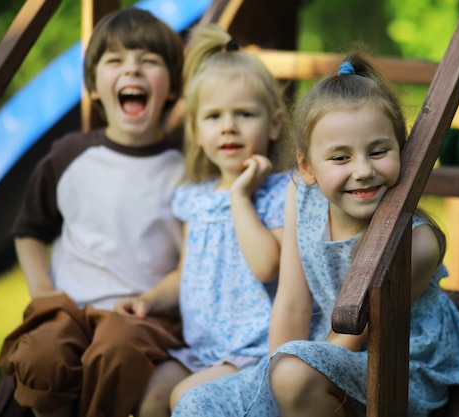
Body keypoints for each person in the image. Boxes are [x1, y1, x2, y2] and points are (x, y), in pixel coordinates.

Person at [171, 51, 459, 417]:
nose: (363, 171)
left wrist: (283, 380)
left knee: (292, 377)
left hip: (397, 367)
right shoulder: (300, 196)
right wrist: (269, 381)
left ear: (401, 148)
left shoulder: (417, 242)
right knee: (196, 402)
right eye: (340, 157)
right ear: (306, 166)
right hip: (315, 353)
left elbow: (357, 338)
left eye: (378, 151)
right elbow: (291, 303)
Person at [0, 8, 187, 417]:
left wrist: (152, 301)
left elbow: (190, 263)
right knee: (42, 353)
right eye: (116, 60)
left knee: (116, 349)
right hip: (70, 310)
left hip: (143, 318)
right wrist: (42, 290)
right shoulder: (69, 156)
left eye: (149, 61)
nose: (132, 70)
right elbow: (30, 230)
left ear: (171, 86)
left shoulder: (185, 167)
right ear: (95, 86)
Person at [113, 23, 291, 416]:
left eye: (244, 114)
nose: (228, 126)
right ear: (196, 130)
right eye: (213, 116)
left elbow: (267, 266)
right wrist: (148, 299)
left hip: (254, 348)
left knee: (183, 399)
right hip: (201, 348)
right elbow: (186, 271)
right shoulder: (194, 197)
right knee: (151, 397)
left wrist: (240, 196)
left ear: (274, 123)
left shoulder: (281, 192)